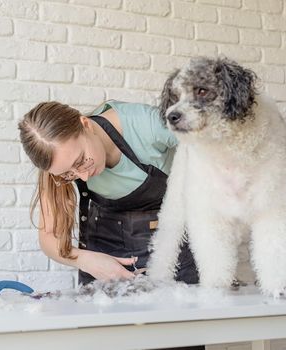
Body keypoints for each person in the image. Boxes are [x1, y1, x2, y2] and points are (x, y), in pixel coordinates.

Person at [18, 100, 200, 286]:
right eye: (69, 174)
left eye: (81, 160)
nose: (84, 176)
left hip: (170, 247)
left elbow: (214, 144)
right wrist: (84, 260)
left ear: (86, 125)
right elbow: (49, 238)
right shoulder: (56, 161)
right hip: (102, 251)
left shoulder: (145, 123)